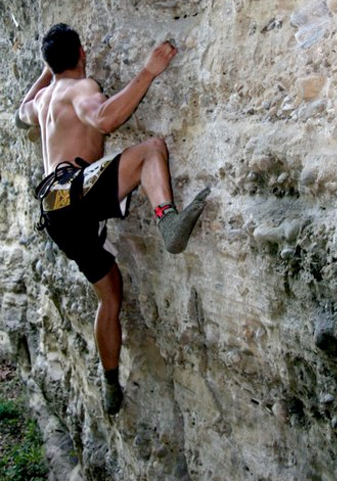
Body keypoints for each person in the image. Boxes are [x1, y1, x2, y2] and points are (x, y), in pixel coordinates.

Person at [18, 23, 209, 415]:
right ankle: (168, 219)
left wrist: (45, 72)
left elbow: (20, 114)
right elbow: (104, 119)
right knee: (151, 149)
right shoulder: (79, 88)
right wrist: (149, 71)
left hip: (54, 214)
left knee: (109, 291)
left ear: (50, 64)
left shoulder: (42, 102)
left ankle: (109, 381)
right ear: (82, 54)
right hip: (76, 192)